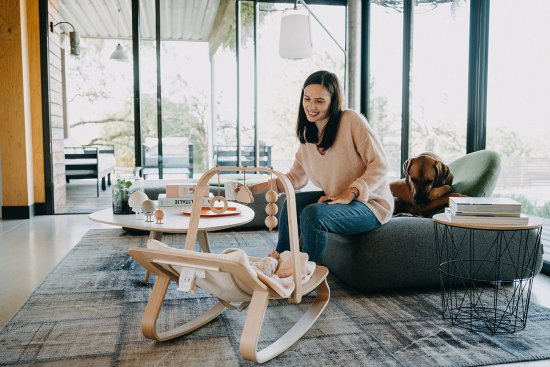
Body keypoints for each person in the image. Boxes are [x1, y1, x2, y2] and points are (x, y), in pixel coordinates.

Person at [245, 70, 394, 263]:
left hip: (370, 204)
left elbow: (380, 165)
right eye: (307, 99)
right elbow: (293, 180)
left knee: (312, 213)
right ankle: (280, 261)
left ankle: (305, 274)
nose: (311, 106)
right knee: (293, 203)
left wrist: (351, 192)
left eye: (319, 101)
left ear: (333, 102)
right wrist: (252, 189)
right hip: (338, 201)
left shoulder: (351, 121)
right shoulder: (309, 137)